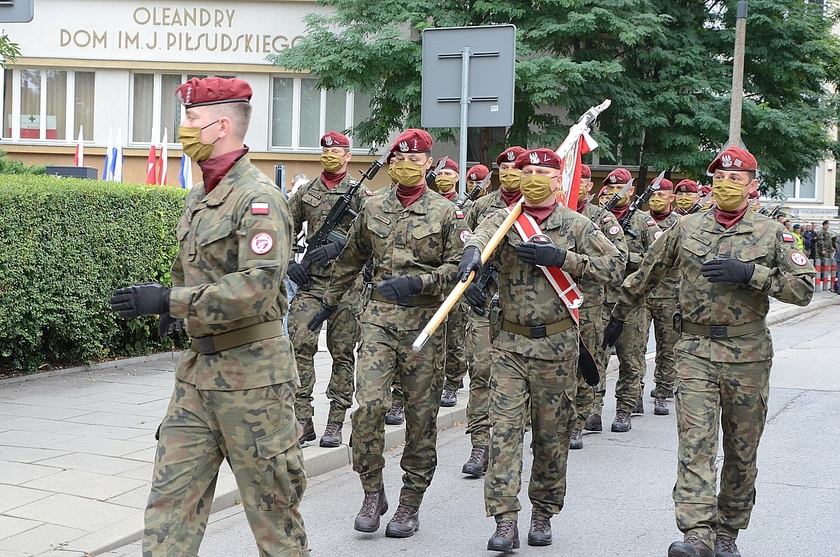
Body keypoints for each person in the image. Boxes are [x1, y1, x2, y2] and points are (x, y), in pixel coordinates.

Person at [110, 77, 309, 556]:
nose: (183, 128)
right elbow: (193, 270)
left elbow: (258, 287)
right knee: (169, 506)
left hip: (254, 382)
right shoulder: (199, 197)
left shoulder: (259, 199)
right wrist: (178, 313)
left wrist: (168, 301)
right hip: (198, 377)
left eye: (191, 119)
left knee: (273, 515)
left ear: (221, 125)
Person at [605, 146, 814, 557]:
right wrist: (618, 315)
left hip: (747, 352)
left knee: (741, 448)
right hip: (695, 349)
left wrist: (750, 273)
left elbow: (804, 289)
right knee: (695, 443)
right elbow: (649, 270)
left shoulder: (772, 233)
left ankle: (728, 533)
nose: (725, 185)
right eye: (719, 178)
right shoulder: (686, 228)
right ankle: (696, 534)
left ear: (752, 186)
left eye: (735, 180)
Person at [308, 128, 469, 538]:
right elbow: (351, 257)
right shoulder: (375, 206)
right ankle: (371, 490)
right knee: (370, 408)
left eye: (414, 160)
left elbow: (460, 271)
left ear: (428, 163)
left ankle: (409, 504)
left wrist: (420, 284)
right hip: (378, 319)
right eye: (399, 159)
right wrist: (328, 300)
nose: (405, 166)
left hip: (424, 326)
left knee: (419, 418)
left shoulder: (446, 213)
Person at [461, 148, 622, 552]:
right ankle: (504, 519)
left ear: (557, 180)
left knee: (551, 437)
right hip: (510, 346)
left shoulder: (578, 224)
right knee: (504, 433)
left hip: (557, 345)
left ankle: (543, 512)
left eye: (540, 172)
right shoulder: (506, 218)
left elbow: (618, 266)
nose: (532, 178)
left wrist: (563, 258)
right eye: (525, 171)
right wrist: (470, 259)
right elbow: (479, 240)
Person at [286, 131, 368, 448]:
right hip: (311, 283)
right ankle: (303, 420)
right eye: (326, 150)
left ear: (348, 155)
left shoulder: (360, 195)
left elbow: (375, 236)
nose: (330, 154)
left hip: (348, 285)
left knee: (343, 353)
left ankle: (335, 422)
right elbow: (283, 227)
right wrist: (291, 262)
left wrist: (339, 249)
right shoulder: (305, 192)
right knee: (299, 343)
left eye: (337, 150)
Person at [459, 145, 525, 475]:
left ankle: (510, 442)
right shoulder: (481, 207)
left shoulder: (534, 210)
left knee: (520, 380)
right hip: (483, 303)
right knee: (482, 373)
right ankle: (479, 446)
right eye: (505, 168)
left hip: (522, 309)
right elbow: (461, 248)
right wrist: (468, 284)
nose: (511, 173)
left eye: (518, 168)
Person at [594, 168, 660, 433]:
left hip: (630, 300)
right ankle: (592, 410)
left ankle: (624, 410)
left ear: (631, 191)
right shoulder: (597, 219)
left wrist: (622, 260)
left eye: (618, 188)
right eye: (608, 189)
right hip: (598, 299)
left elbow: (654, 261)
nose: (612, 193)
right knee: (595, 357)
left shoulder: (644, 222)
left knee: (630, 358)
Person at [570, 164, 627, 449]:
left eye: (580, 181)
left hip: (589, 303)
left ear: (590, 186)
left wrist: (571, 261)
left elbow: (618, 261)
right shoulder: (550, 215)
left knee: (586, 361)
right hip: (553, 304)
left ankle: (579, 421)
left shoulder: (601, 219)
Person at [435, 157, 471, 408]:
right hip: (433, 277)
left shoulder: (465, 205)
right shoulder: (432, 202)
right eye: (440, 173)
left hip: (456, 277)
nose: (443, 177)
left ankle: (453, 381)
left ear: (457, 177)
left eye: (448, 173)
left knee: (455, 334)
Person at [644, 178, 681, 416]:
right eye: (653, 195)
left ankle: (662, 391)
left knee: (668, 347)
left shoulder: (680, 223)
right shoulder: (640, 220)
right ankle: (633, 395)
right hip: (642, 293)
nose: (656, 199)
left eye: (662, 195)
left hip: (669, 294)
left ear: (671, 198)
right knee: (634, 350)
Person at [816, 220, 835, 291]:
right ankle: (822, 277)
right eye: (826, 225)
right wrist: (822, 249)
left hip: (828, 251)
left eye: (828, 225)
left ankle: (825, 278)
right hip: (823, 251)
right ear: (823, 225)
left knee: (826, 265)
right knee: (823, 265)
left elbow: (829, 242)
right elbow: (821, 242)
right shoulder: (821, 232)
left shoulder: (827, 233)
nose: (827, 226)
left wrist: (831, 249)